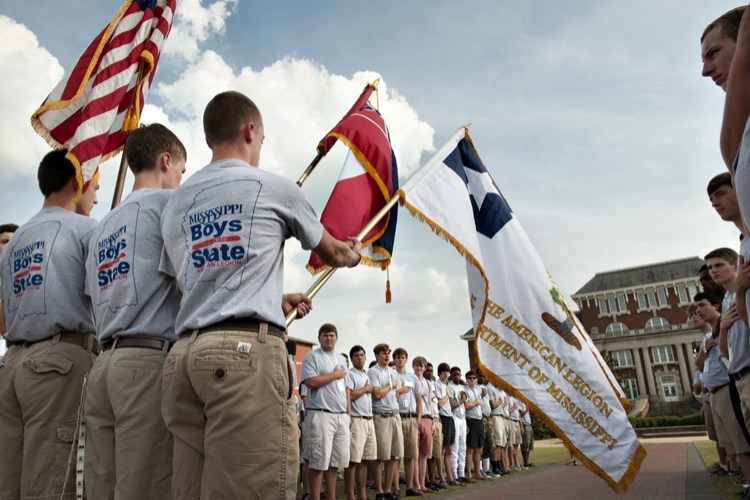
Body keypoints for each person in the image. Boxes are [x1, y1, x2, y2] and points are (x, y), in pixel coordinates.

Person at [159, 91, 362, 500]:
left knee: (190, 489)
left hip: (184, 357)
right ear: (250, 131)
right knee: (256, 486)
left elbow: (199, 279)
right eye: (262, 140)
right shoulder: (273, 187)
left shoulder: (175, 202)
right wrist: (355, 253)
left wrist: (272, 299)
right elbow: (335, 252)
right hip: (242, 358)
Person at [83, 123, 186, 499]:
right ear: (165, 160)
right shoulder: (168, 205)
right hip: (146, 362)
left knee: (101, 485)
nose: (180, 179)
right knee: (145, 485)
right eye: (181, 170)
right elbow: (195, 279)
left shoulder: (101, 226)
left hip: (104, 364)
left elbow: (90, 295)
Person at [0, 149, 99, 499]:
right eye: (94, 186)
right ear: (76, 182)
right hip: (57, 367)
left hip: (13, 365)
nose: (97, 196)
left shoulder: (15, 242)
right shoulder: (86, 229)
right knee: (53, 481)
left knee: (10, 480)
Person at [704, 248, 750, 479]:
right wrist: (722, 330)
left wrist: (741, 291)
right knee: (743, 442)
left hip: (746, 375)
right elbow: (727, 352)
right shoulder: (729, 299)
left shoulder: (740, 294)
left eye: (719, 265)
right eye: (711, 267)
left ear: (735, 265)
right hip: (739, 377)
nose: (713, 271)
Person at [301, 324, 350, 500]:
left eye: (331, 335)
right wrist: (334, 375)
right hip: (321, 414)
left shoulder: (341, 358)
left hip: (340, 415)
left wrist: (347, 413)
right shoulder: (312, 357)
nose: (328, 338)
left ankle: (331, 496)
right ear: (319, 338)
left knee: (335, 462)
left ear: (336, 338)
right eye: (325, 335)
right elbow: (310, 382)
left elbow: (345, 388)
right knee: (318, 462)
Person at [692, 295, 736, 475]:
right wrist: (705, 348)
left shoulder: (724, 326)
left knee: (735, 437)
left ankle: (735, 470)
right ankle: (731, 468)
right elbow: (700, 365)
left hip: (726, 388)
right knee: (725, 437)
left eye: (701, 306)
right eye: (695, 309)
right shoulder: (707, 338)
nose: (698, 312)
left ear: (716, 306)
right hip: (713, 393)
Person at [367, 343, 404, 500]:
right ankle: (379, 491)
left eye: (388, 353)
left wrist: (391, 387)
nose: (387, 356)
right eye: (383, 353)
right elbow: (377, 394)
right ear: (377, 355)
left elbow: (396, 392)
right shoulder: (373, 372)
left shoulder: (392, 371)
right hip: (381, 416)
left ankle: (388, 490)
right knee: (380, 455)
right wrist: (390, 385)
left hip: (394, 415)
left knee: (394, 455)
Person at [345, 345, 376, 500]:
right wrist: (365, 389)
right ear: (352, 358)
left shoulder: (366, 374)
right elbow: (348, 396)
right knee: (353, 460)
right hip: (356, 420)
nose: (360, 358)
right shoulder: (350, 374)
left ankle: (362, 495)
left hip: (369, 419)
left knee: (364, 460)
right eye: (356, 355)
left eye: (362, 355)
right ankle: (350, 495)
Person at [393, 348, 422, 497]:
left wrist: (418, 419)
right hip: (397, 416)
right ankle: (396, 487)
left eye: (403, 357)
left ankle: (410, 487)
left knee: (411, 455)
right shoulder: (392, 375)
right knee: (396, 454)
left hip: (411, 417)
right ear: (394, 359)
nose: (400, 360)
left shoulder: (413, 377)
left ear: (406, 359)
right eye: (397, 357)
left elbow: (418, 399)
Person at [413, 356, 434, 494]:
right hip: (415, 417)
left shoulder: (428, 383)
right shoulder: (410, 380)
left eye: (421, 366)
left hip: (427, 417)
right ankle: (415, 484)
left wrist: (432, 421)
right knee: (415, 453)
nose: (419, 368)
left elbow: (430, 403)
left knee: (424, 454)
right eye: (416, 366)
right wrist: (421, 393)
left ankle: (422, 483)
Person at [448, 366, 470, 484]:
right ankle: (454, 473)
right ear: (451, 375)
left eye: (459, 375)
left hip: (462, 418)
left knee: (463, 446)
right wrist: (461, 401)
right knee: (455, 446)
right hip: (454, 417)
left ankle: (462, 472)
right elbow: (451, 406)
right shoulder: (450, 388)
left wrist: (465, 422)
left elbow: (464, 406)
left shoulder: (461, 387)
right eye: (455, 375)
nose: (457, 377)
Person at [436, 363, 456, 487]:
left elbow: (451, 404)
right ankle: (442, 477)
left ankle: (450, 477)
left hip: (450, 417)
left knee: (449, 449)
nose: (446, 374)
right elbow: (440, 404)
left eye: (447, 372)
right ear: (439, 373)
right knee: (441, 450)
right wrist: (447, 396)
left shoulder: (447, 385)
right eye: (443, 371)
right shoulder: (437, 385)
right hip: (442, 417)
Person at [463, 371, 486, 481]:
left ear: (476, 380)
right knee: (470, 449)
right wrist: (476, 403)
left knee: (478, 448)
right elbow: (466, 406)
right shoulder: (464, 390)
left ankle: (478, 473)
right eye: (470, 378)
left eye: (474, 378)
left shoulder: (478, 390)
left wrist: (477, 402)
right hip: (470, 419)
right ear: (466, 379)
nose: (472, 380)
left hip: (479, 420)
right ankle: (469, 474)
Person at [476, 371, 496, 477]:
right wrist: (481, 395)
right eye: (480, 376)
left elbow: (488, 403)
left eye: (484, 376)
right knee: (481, 445)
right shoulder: (475, 387)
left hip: (488, 417)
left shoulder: (486, 388)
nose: (482, 378)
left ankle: (487, 469)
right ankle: (480, 470)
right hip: (481, 417)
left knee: (489, 443)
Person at [519, 400, 534, 468]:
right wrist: (526, 410)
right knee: (525, 443)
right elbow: (519, 414)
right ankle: (525, 462)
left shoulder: (526, 403)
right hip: (524, 424)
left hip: (529, 424)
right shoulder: (520, 402)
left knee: (529, 443)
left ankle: (527, 461)